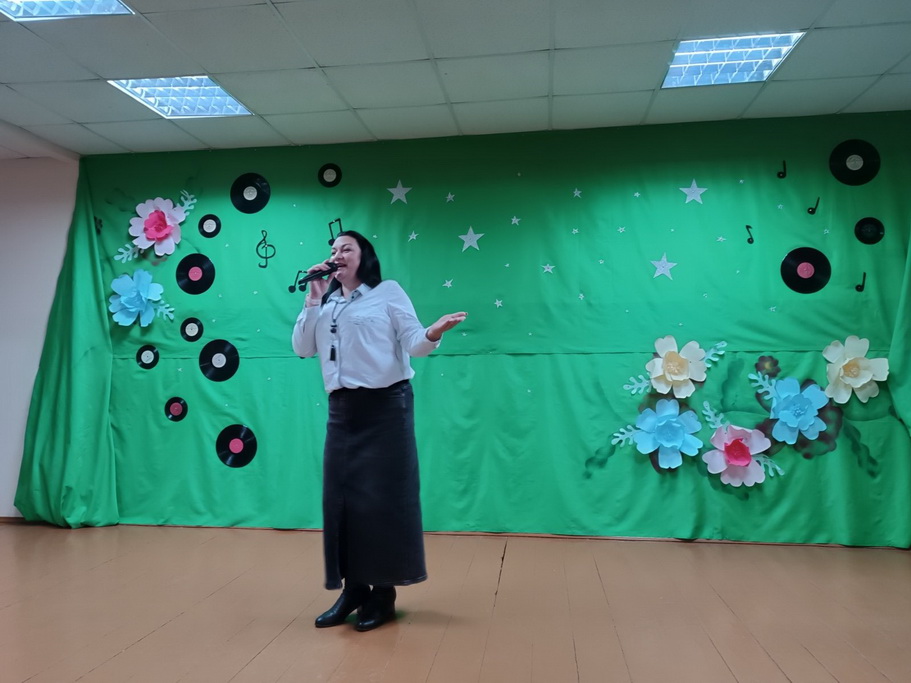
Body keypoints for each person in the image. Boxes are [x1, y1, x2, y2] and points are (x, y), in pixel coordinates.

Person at [291, 230, 466, 632]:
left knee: (382, 502)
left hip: (387, 407)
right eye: (333, 250)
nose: (337, 254)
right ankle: (354, 590)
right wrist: (313, 298)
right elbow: (303, 348)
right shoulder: (327, 302)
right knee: (343, 501)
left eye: (346, 248)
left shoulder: (387, 292)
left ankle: (383, 594)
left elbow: (414, 342)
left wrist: (434, 332)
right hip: (343, 410)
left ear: (364, 256)